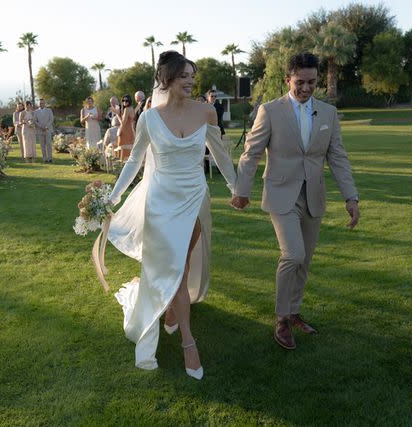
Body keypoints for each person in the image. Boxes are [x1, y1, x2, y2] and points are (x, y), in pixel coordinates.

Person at [105, 51, 237, 379]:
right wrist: (114, 195)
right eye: (184, 76)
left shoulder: (207, 112)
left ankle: (172, 315)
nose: (191, 81)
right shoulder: (149, 119)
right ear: (166, 80)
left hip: (194, 199)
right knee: (175, 271)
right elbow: (136, 160)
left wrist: (236, 186)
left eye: (193, 75)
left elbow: (219, 154)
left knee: (184, 263)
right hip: (160, 203)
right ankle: (189, 344)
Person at [231, 52, 360, 350]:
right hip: (280, 194)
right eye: (300, 82)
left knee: (305, 260)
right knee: (293, 255)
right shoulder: (270, 111)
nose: (306, 88)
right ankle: (281, 319)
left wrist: (350, 197)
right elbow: (250, 153)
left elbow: (337, 157)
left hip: (313, 196)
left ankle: (294, 309)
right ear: (288, 79)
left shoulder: (328, 113)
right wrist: (242, 189)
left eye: (312, 82)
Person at [114, 94, 135, 161]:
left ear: (129, 101)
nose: (124, 102)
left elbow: (123, 123)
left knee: (123, 150)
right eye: (123, 100)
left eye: (126, 100)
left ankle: (121, 166)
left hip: (125, 131)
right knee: (129, 150)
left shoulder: (126, 109)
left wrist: (117, 115)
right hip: (130, 130)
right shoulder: (132, 108)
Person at [34, 98, 54, 163]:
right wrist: (41, 127)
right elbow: (35, 121)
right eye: (40, 103)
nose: (41, 104)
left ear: (44, 103)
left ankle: (50, 158)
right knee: (42, 145)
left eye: (42, 103)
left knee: (48, 144)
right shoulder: (36, 112)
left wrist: (46, 127)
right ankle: (44, 158)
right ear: (38, 104)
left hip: (48, 129)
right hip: (40, 130)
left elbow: (51, 119)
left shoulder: (49, 110)